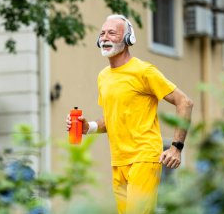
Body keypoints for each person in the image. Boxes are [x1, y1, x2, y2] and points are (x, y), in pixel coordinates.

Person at [66, 14, 193, 214]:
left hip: (144, 157)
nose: (104, 38)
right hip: (118, 161)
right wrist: (87, 127)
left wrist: (176, 148)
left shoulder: (144, 71)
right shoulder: (103, 77)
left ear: (128, 39)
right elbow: (111, 119)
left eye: (112, 33)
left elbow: (184, 102)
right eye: (102, 33)